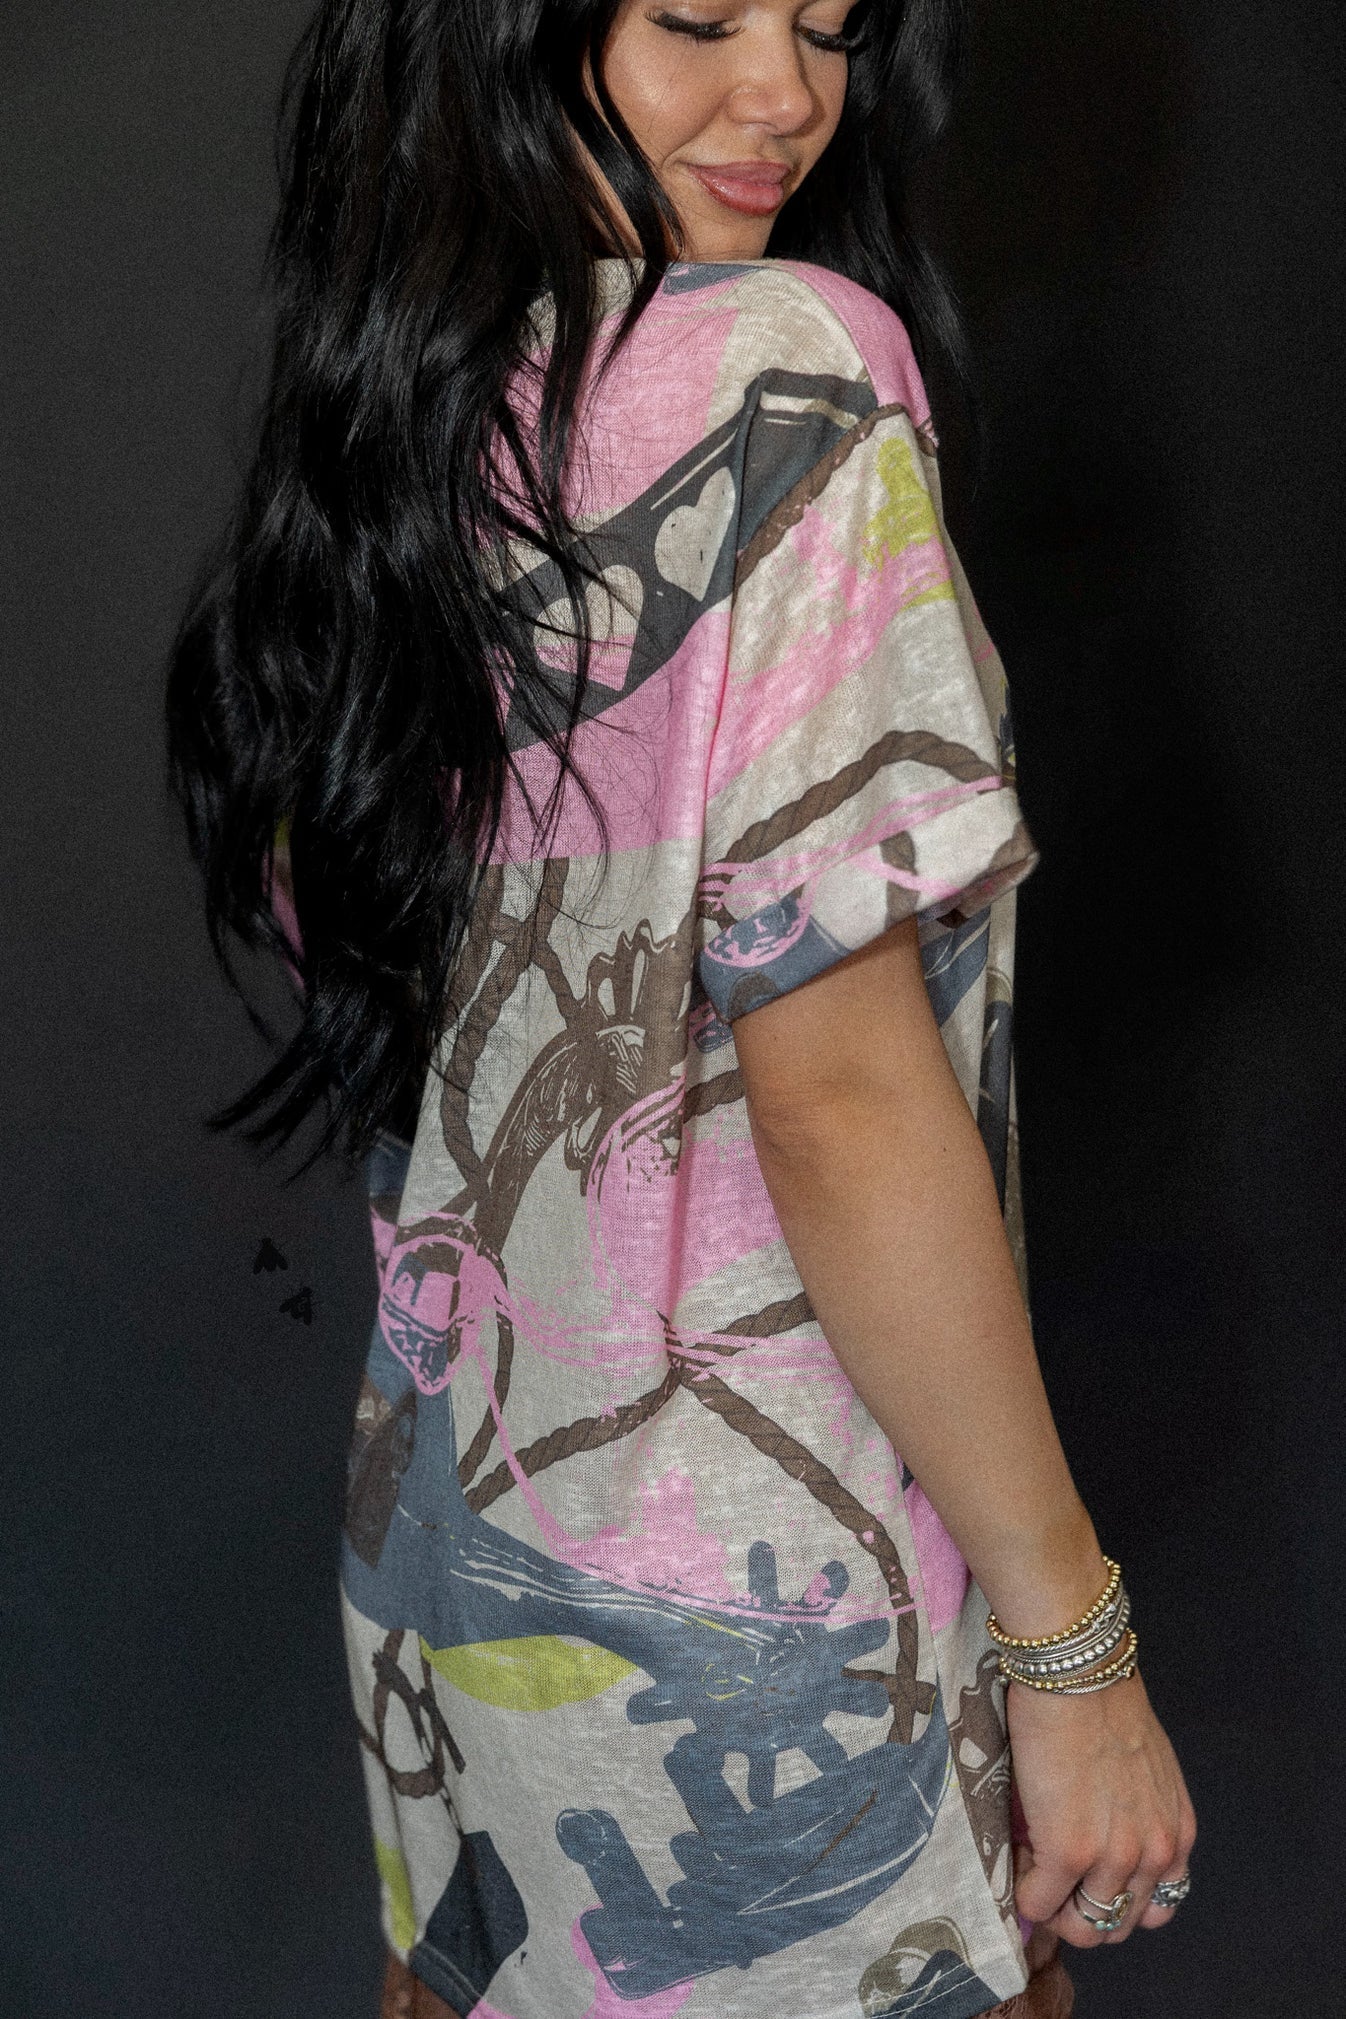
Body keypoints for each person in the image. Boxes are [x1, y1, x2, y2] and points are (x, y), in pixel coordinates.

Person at [167, 3, 1197, 2016]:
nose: (784, 96)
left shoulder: (396, 431)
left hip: (459, 1589)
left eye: (825, 25)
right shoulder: (786, 371)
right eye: (696, 18)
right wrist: (1072, 1648)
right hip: (768, 1640)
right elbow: (840, 1096)